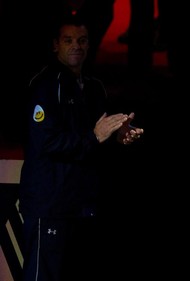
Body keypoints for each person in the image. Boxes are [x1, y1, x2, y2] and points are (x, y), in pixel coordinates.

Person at [19, 15, 144, 281]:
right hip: (49, 205)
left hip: (83, 207)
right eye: (68, 40)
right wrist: (95, 136)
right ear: (56, 45)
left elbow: (97, 138)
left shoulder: (94, 87)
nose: (76, 46)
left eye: (82, 40)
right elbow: (46, 142)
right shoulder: (45, 85)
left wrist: (118, 135)